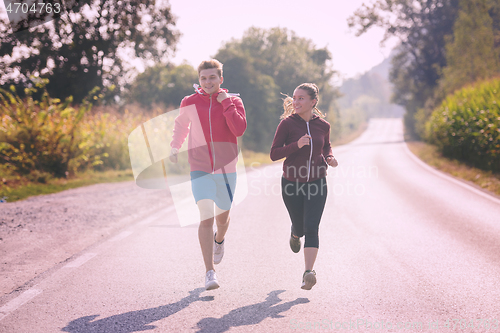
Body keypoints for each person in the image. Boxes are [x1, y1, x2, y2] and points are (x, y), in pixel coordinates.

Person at [169, 59, 247, 290]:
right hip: (200, 167)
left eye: (212, 77)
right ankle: (209, 272)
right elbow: (181, 125)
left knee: (222, 219)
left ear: (221, 79)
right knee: (205, 217)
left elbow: (239, 129)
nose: (207, 82)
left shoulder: (234, 101)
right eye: (203, 78)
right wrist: (175, 145)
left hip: (226, 168)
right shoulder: (189, 101)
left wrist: (226, 104)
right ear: (199, 80)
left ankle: (219, 240)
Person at [270, 83, 338, 290]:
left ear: (313, 102)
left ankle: (308, 272)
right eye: (294, 98)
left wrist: (329, 156)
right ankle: (294, 232)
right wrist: (296, 145)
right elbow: (274, 154)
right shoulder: (287, 125)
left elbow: (325, 145)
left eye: (301, 98)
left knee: (312, 226)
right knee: (300, 226)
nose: (295, 102)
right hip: (291, 182)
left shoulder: (323, 126)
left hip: (317, 181)